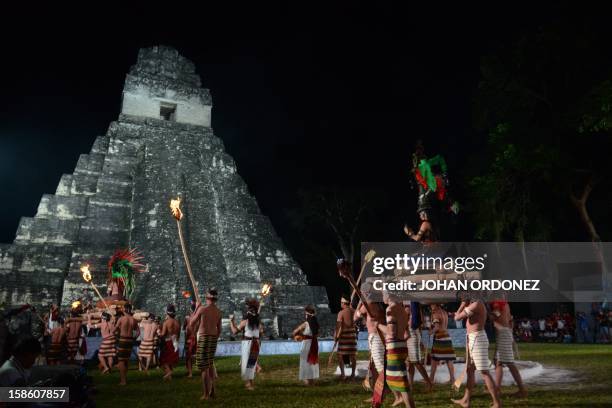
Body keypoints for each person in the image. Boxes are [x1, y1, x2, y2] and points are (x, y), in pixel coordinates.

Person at [452, 296, 501, 408]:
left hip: (477, 339)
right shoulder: (475, 304)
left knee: (484, 372)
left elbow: (457, 317)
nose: (462, 297)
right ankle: (466, 401)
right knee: (470, 370)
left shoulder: (476, 304)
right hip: (473, 339)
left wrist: (462, 304)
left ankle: (497, 403)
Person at [375, 291, 415, 408]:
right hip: (402, 346)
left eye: (383, 293)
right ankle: (401, 400)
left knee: (402, 384)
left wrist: (378, 325)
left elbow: (391, 332)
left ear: (389, 295)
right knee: (399, 381)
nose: (382, 296)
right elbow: (407, 334)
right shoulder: (402, 310)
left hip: (395, 349)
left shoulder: (390, 310)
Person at [189, 289, 222, 400]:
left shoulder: (202, 309)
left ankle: (206, 394)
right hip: (213, 338)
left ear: (207, 298)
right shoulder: (218, 311)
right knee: (210, 364)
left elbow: (191, 323)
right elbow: (220, 329)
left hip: (204, 338)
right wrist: (214, 338)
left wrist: (196, 308)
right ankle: (213, 391)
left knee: (204, 368)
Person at [490, 300, 527, 398]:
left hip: (503, 333)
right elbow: (511, 320)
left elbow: (495, 316)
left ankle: (522, 390)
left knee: (509, 363)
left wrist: (485, 313)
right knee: (498, 362)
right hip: (506, 332)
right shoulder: (505, 304)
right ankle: (497, 389)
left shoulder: (497, 303)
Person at [354, 290, 386, 402]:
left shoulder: (369, 304)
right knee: (376, 367)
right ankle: (378, 394)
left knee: (380, 368)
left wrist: (359, 307)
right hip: (379, 337)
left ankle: (394, 393)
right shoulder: (378, 305)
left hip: (376, 337)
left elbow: (355, 317)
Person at [230, 299, 263, 390]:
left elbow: (234, 331)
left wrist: (231, 321)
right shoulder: (257, 321)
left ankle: (249, 384)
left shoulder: (246, 322)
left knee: (246, 364)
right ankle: (250, 383)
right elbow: (261, 331)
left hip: (248, 343)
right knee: (251, 364)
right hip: (256, 343)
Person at [406, 302, 433, 391]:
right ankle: (410, 385)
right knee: (410, 363)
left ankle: (429, 382)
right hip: (410, 334)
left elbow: (418, 324)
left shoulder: (413, 306)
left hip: (412, 334)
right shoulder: (413, 307)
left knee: (416, 362)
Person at [292, 305, 319, 386]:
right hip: (314, 343)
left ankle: (307, 381)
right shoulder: (316, 324)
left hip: (306, 344)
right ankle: (312, 381)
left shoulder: (306, 323)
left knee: (305, 361)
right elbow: (316, 334)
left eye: (305, 314)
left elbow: (294, 332)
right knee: (312, 362)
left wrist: (299, 335)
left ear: (307, 314)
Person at [429, 303, 456, 385]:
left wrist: (431, 332)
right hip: (447, 336)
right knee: (449, 360)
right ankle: (452, 379)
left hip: (440, 337)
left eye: (431, 305)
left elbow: (436, 327)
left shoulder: (435, 313)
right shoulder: (444, 312)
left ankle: (431, 380)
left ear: (435, 304)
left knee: (434, 359)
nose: (430, 307)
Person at [116, 303, 140, 386]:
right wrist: (134, 338)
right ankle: (125, 378)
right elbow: (138, 332)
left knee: (121, 361)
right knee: (126, 360)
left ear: (124, 309)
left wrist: (117, 331)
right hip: (130, 340)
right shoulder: (133, 320)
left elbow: (114, 331)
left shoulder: (121, 319)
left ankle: (123, 381)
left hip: (122, 340)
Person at [335, 295, 357, 380]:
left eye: (341, 302)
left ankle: (343, 374)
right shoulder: (354, 311)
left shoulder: (341, 313)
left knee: (340, 355)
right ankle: (353, 375)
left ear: (344, 303)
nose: (340, 304)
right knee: (353, 356)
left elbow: (339, 326)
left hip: (344, 336)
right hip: (353, 335)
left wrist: (336, 336)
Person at [158, 304, 180, 380]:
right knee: (170, 361)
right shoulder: (177, 322)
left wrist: (158, 333)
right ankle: (169, 377)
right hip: (175, 342)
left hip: (168, 342)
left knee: (164, 361)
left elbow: (163, 334)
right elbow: (179, 334)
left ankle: (169, 373)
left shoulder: (166, 322)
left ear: (167, 313)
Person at [184, 301, 197, 378]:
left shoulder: (187, 318)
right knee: (197, 355)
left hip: (190, 339)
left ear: (190, 309)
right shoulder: (199, 317)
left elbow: (184, 328)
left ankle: (190, 373)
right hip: (197, 338)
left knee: (189, 357)